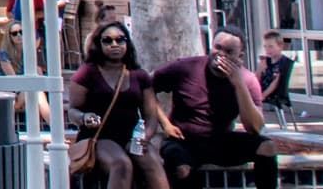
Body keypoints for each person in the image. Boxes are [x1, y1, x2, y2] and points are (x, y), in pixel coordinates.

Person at [152, 30, 277, 189]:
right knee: (182, 168)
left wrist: (239, 85)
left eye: (229, 51)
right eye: (218, 48)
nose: (221, 54)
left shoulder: (247, 80)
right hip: (183, 141)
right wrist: (165, 124)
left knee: (267, 147)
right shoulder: (185, 67)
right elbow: (146, 87)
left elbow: (255, 128)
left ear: (240, 56)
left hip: (219, 141)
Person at [66, 21, 171, 189]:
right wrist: (84, 117)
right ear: (99, 44)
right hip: (98, 136)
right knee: (121, 164)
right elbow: (72, 110)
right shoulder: (87, 73)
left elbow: (150, 114)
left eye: (120, 40)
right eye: (107, 40)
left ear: (127, 43)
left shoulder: (139, 75)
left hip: (132, 136)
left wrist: (146, 136)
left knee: (152, 161)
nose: (114, 44)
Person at [0, 21, 52, 127]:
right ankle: (56, 130)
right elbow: (13, 80)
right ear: (9, 36)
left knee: (37, 92)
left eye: (21, 32)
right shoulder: (4, 53)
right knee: (34, 91)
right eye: (14, 33)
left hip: (25, 90)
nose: (19, 35)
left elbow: (38, 75)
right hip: (9, 92)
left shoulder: (29, 52)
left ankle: (55, 130)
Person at [258, 31, 294, 120]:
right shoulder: (266, 61)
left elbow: (275, 83)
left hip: (274, 93)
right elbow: (255, 79)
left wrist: (263, 95)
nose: (267, 50)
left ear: (280, 46)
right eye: (265, 47)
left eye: (271, 47)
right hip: (261, 89)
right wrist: (260, 69)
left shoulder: (283, 62)